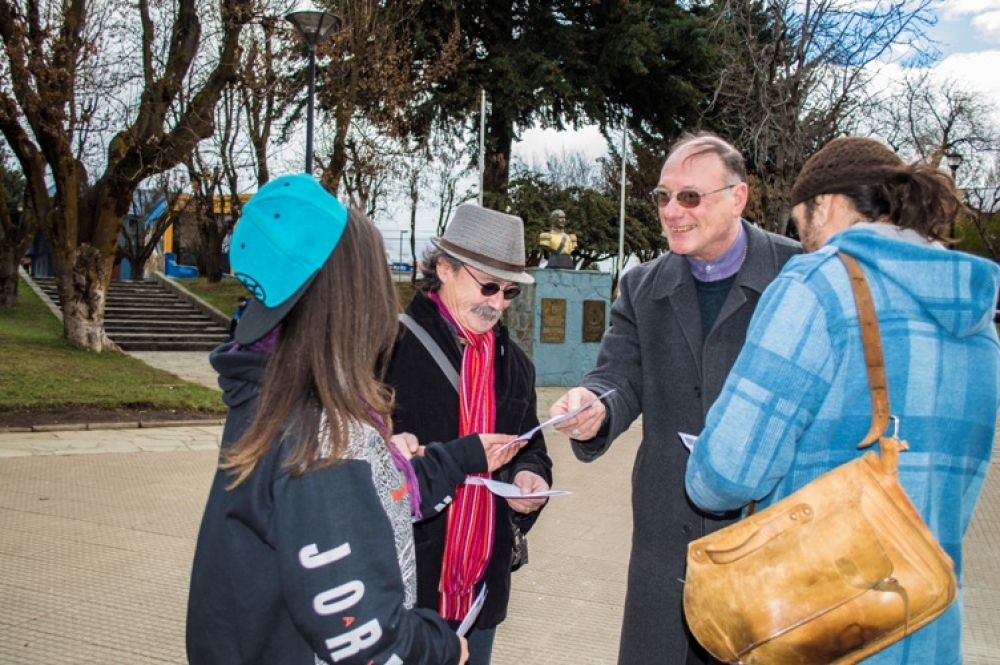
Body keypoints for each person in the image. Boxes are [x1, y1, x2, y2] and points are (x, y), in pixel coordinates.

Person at [686, 136, 1000, 663]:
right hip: (925, 629)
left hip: (815, 628)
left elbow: (723, 477)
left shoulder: (819, 283)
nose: (802, 239)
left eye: (799, 221)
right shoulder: (976, 313)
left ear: (824, 204)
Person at [186, 175, 524, 665]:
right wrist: (441, 646)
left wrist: (459, 458)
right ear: (348, 293)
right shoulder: (322, 437)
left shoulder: (272, 390)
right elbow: (364, 632)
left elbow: (365, 496)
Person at [547, 132, 801, 664]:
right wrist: (593, 407)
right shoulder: (641, 286)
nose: (672, 211)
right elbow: (618, 376)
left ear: (738, 197)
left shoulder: (796, 275)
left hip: (766, 531)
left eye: (690, 197)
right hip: (667, 531)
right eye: (663, 197)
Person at [384, 203, 554, 664]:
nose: (497, 303)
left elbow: (531, 445)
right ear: (444, 268)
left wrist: (531, 478)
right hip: (404, 588)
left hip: (481, 589)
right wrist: (390, 448)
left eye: (509, 291)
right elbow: (346, 454)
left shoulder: (515, 364)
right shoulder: (388, 346)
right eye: (488, 286)